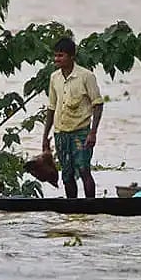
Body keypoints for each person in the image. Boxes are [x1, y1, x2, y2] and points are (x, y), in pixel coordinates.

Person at [41, 36, 103, 198]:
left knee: (84, 170)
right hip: (61, 132)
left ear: (71, 57)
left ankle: (90, 206)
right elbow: (51, 108)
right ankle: (72, 209)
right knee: (67, 174)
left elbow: (98, 104)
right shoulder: (54, 78)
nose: (57, 59)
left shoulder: (86, 76)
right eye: (55, 55)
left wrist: (93, 132)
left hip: (81, 132)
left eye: (61, 56)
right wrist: (45, 136)